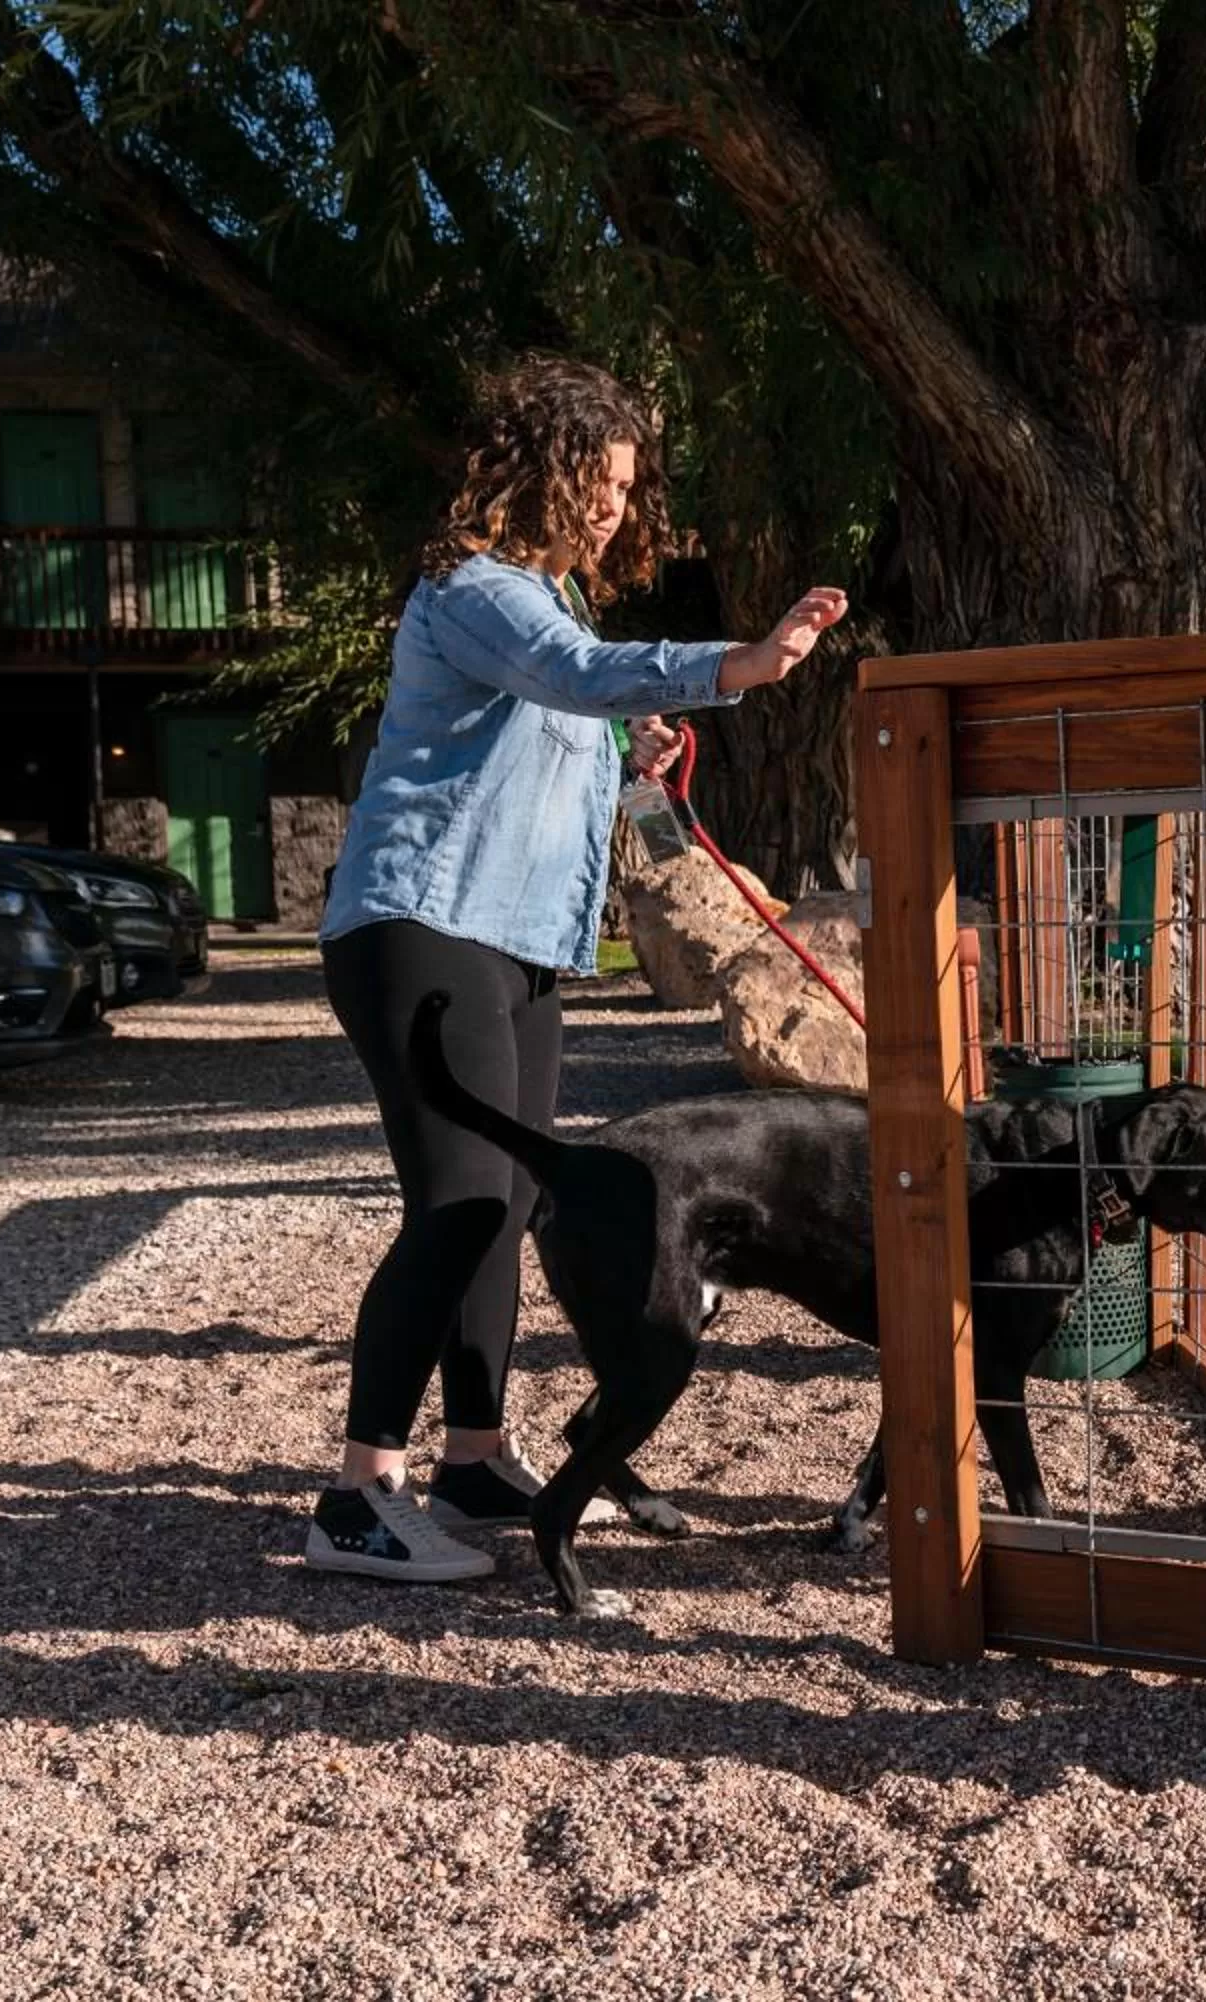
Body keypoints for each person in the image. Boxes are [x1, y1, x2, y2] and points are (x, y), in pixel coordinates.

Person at [305, 355, 847, 1582]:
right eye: (595, 479)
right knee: (460, 1205)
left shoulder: (554, 612)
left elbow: (572, 711)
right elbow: (573, 675)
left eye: (623, 484)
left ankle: (478, 1461)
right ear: (534, 468)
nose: (612, 503)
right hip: (422, 926)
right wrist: (737, 666)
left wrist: (632, 753)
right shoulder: (477, 590)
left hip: (523, 947)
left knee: (511, 1203)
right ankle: (357, 1494)